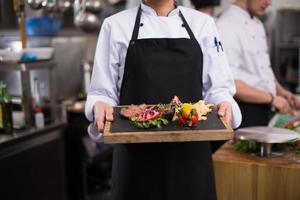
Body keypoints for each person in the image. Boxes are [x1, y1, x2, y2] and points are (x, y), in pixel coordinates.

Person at [85, 0, 241, 199]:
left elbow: (218, 87)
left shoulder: (203, 24)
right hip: (136, 160)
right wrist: (100, 105)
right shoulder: (115, 25)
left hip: (191, 157)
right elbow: (102, 92)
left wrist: (224, 103)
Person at [217, 0, 300, 128]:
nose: (269, 2)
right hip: (245, 111)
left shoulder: (257, 23)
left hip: (265, 107)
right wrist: (272, 99)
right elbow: (230, 81)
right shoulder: (225, 25)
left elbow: (263, 70)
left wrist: (281, 92)